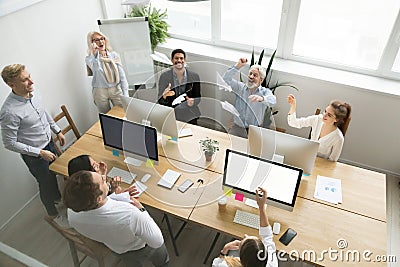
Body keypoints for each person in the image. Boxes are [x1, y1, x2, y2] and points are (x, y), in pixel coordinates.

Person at [64, 170, 170, 267]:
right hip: (143, 246)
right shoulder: (130, 214)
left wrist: (119, 197)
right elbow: (157, 242)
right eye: (102, 180)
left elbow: (97, 208)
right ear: (98, 198)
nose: (103, 177)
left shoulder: (72, 213)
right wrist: (141, 209)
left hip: (120, 250)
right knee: (162, 262)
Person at [0, 64, 66, 217]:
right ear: (11, 85)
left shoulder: (33, 92)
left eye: (29, 77)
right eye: (25, 80)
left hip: (49, 143)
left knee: (54, 175)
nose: (31, 82)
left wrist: (57, 130)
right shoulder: (9, 112)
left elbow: (43, 112)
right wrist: (40, 152)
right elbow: (9, 143)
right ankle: (53, 213)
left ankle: (58, 199)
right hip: (35, 155)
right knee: (45, 183)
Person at [212, 187, 278, 267]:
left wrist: (225, 250)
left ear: (241, 258)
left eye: (243, 240)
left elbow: (215, 264)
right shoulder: (272, 262)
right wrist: (261, 206)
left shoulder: (225, 265)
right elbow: (267, 235)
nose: (245, 235)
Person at [287, 94, 352, 161]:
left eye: (329, 115)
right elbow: (293, 123)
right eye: (325, 111)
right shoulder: (317, 119)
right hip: (306, 159)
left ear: (336, 119)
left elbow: (332, 161)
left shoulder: (338, 138)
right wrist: (293, 105)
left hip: (321, 167)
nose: (324, 115)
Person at [223, 58, 276, 138]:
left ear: (261, 80)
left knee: (250, 150)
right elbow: (225, 79)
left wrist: (261, 98)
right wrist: (238, 66)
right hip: (237, 127)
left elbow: (273, 100)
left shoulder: (264, 92)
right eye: (250, 74)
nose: (251, 76)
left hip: (254, 130)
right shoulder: (240, 87)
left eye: (255, 75)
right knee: (229, 146)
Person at [86, 31, 129, 113]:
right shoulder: (90, 59)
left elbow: (122, 76)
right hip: (100, 91)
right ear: (91, 43)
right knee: (106, 117)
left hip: (115, 89)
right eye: (96, 40)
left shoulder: (114, 55)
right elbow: (96, 69)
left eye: (102, 38)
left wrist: (126, 94)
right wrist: (95, 54)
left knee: (123, 112)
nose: (100, 42)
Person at [158, 49, 201, 125]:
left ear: (185, 61)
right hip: (172, 112)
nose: (179, 60)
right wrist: (164, 96)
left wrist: (192, 102)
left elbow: (198, 97)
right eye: (176, 58)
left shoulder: (194, 76)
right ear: (172, 60)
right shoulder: (164, 77)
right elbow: (160, 100)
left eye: (181, 58)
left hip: (189, 111)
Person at [67, 154, 138, 198]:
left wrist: (103, 174)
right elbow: (109, 199)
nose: (98, 164)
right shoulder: (97, 197)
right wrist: (120, 194)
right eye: (95, 166)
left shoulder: (79, 191)